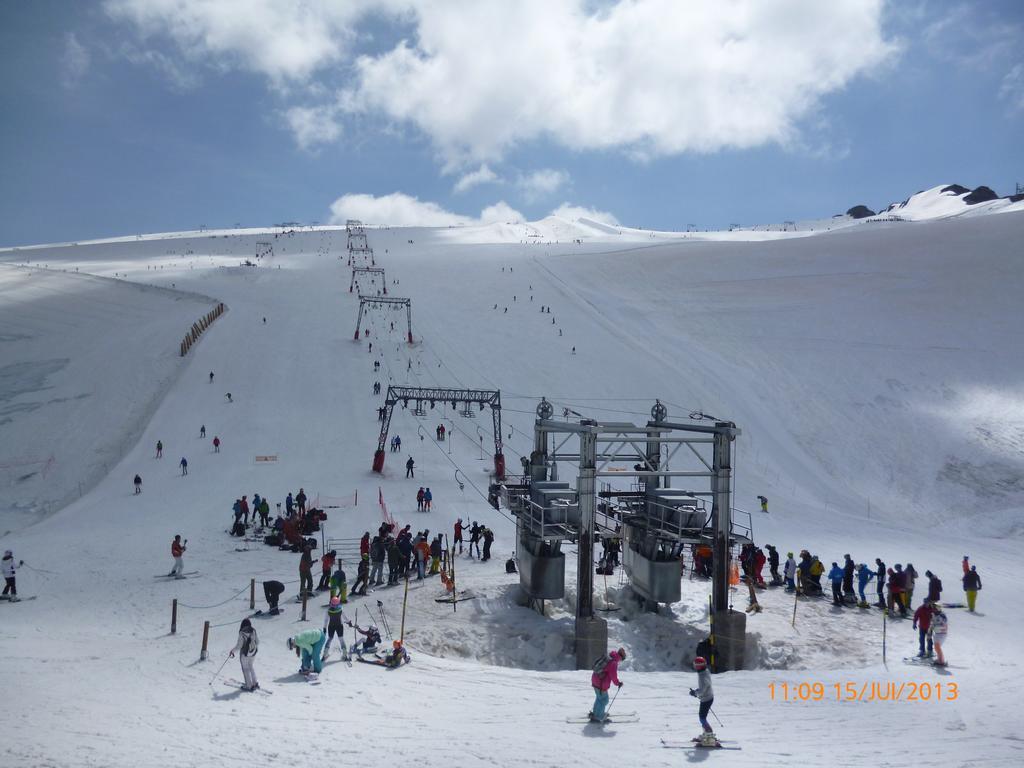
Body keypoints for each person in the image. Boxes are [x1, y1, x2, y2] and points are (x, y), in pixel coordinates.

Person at [590, 647, 625, 723]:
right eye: (622, 660)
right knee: (604, 700)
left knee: (599, 698)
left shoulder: (609, 656)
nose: (620, 661)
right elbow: (613, 676)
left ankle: (596, 713)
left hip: (595, 679)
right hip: (601, 683)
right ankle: (598, 716)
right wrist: (618, 683)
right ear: (621, 657)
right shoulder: (614, 663)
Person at [689, 656, 716, 746]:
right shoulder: (705, 671)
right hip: (708, 697)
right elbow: (705, 687)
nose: (695, 666)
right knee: (702, 718)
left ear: (698, 666)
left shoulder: (702, 675)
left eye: (695, 665)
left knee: (702, 718)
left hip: (706, 699)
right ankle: (706, 735)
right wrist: (697, 691)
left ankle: (709, 737)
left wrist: (695, 693)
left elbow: (703, 689)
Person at [229, 618, 259, 691]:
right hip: (253, 653)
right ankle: (255, 683)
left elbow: (239, 646)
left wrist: (232, 651)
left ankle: (249, 685)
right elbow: (257, 642)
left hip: (245, 654)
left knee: (245, 669)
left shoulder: (242, 633)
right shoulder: (253, 630)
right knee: (251, 667)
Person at [322, 596, 347, 661]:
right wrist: (349, 622)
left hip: (331, 626)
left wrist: (324, 628)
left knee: (330, 639)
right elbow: (345, 617)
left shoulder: (328, 610)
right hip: (339, 626)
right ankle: (344, 654)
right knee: (341, 639)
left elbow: (326, 620)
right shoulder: (340, 609)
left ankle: (325, 654)